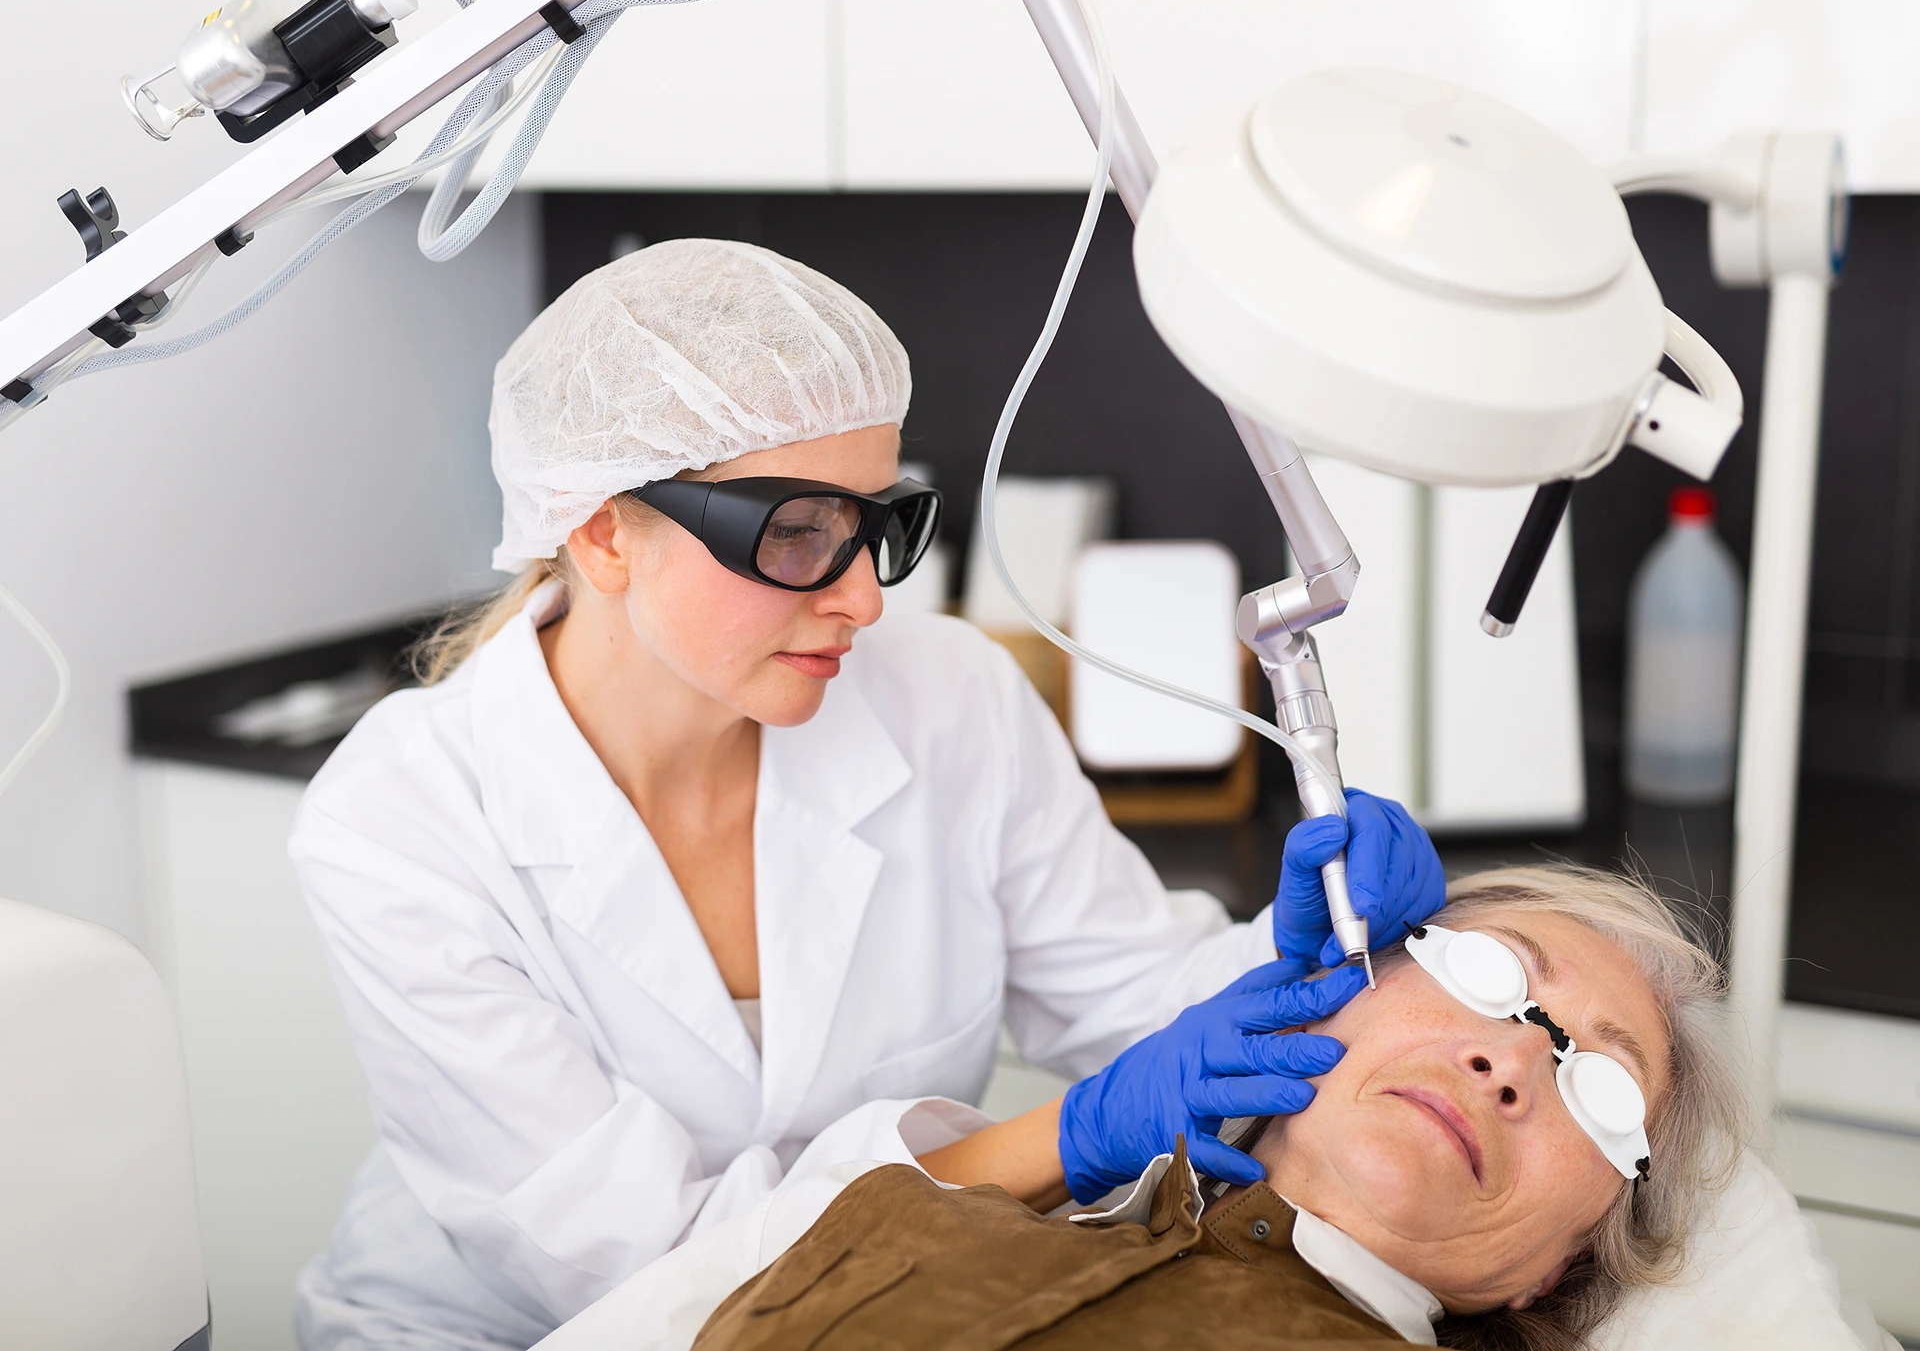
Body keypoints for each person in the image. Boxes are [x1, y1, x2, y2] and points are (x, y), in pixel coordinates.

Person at [289, 237, 1447, 1350]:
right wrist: (1072, 1136)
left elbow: (1141, 999)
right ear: (600, 530)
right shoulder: (398, 825)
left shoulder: (948, 698)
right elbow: (652, 1269)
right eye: (797, 533)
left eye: (879, 525)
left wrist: (1303, 958)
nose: (864, 601)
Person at [536, 864, 1747, 1351]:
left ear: (1554, 1272)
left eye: (1600, 1083)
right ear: (1340, 986)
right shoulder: (929, 1214)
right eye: (1493, 977)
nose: (1515, 1065)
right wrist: (1066, 1137)